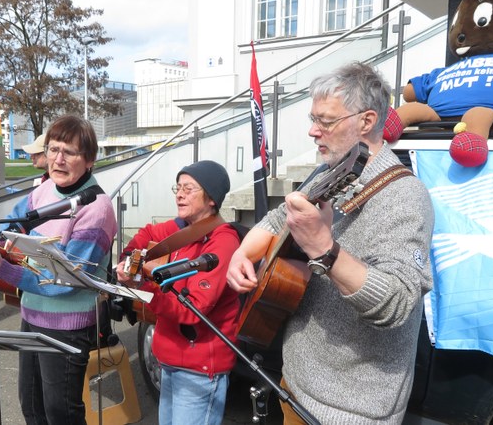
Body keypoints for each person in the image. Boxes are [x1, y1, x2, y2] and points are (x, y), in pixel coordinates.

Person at [226, 62, 435, 424]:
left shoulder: (405, 196)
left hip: (349, 410)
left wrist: (325, 248)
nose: (312, 131)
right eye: (313, 118)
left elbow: (398, 303)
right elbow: (280, 217)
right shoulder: (330, 171)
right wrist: (242, 252)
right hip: (295, 383)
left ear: (367, 122)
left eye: (325, 121)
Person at [0, 115, 117, 425]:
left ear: (89, 160)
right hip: (32, 315)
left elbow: (62, 281)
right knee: (32, 406)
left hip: (67, 326)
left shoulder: (96, 209)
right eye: (53, 149)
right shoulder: (44, 190)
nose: (58, 159)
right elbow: (14, 223)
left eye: (69, 152)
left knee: (61, 413)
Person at [116, 160, 240, 425]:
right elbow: (148, 233)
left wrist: (142, 284)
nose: (179, 194)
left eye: (189, 188)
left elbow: (190, 309)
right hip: (170, 359)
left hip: (198, 368)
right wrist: (129, 259)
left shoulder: (223, 241)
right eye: (178, 187)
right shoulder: (184, 228)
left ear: (211, 199)